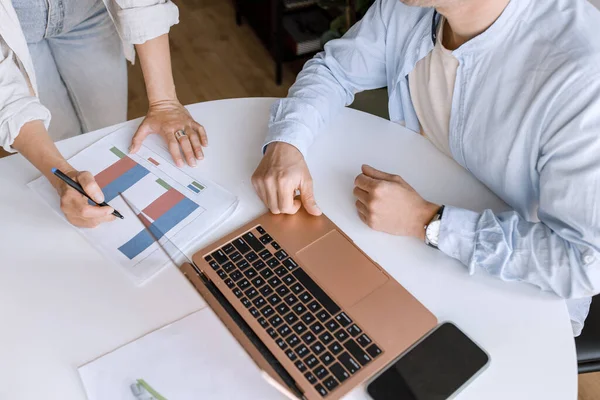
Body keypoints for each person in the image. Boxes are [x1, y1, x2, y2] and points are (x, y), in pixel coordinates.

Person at [251, 0, 600, 336]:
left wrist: (428, 221)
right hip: (409, 235)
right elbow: (336, 70)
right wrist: (287, 141)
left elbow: (582, 261)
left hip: (519, 289)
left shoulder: (582, 75)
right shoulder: (413, 7)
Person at [0, 0, 207, 228]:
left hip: (88, 12)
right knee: (61, 145)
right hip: (10, 30)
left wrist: (165, 103)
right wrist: (63, 176)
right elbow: (7, 98)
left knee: (109, 137)